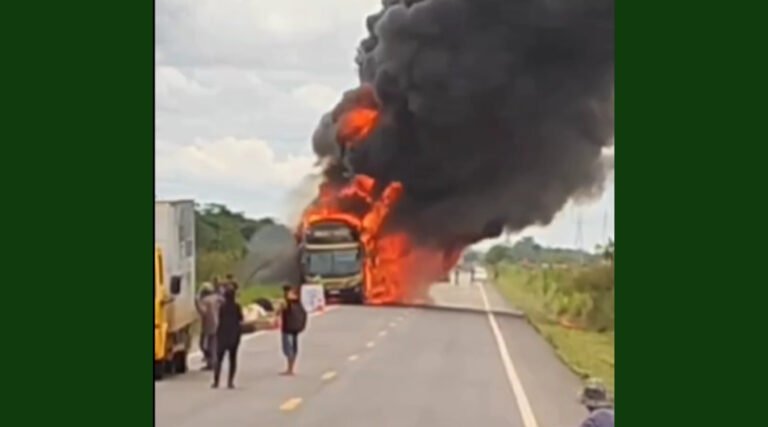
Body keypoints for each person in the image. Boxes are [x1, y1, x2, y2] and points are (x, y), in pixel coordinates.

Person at [212, 288, 244, 389]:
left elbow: (219, 318)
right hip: (234, 335)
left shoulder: (222, 307)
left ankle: (216, 381)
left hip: (222, 335)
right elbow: (241, 318)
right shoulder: (237, 307)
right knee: (232, 359)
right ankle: (230, 382)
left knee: (219, 359)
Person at [276, 285, 307, 376]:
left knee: (288, 349)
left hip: (287, 328)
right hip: (295, 328)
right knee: (293, 348)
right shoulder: (297, 301)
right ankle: (291, 368)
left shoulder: (285, 302)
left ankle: (290, 369)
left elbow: (278, 311)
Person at [198, 283, 223, 370]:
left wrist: (196, 304)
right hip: (218, 324)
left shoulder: (205, 301)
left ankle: (211, 363)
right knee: (213, 345)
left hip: (209, 325)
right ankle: (212, 362)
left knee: (204, 344)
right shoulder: (218, 298)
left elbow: (203, 312)